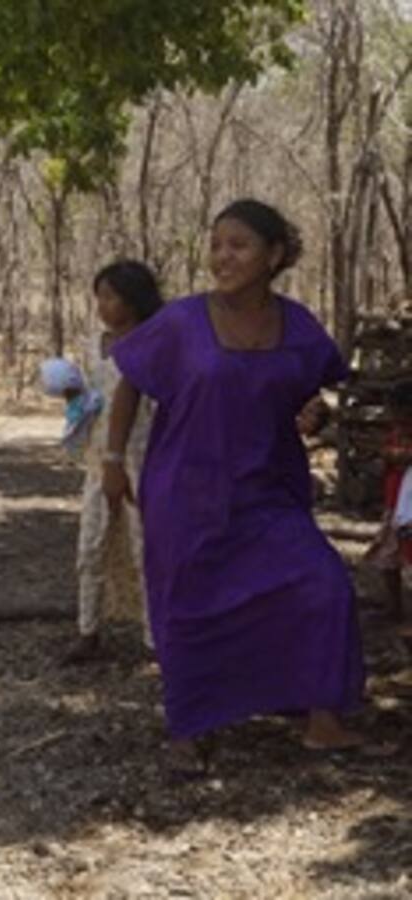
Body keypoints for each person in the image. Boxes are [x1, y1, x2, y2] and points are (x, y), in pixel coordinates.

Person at [102, 199, 382, 776]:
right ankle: (191, 728)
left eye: (239, 245)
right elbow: (130, 381)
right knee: (189, 606)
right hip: (186, 488)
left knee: (322, 584)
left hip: (267, 487)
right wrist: (113, 457)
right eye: (217, 244)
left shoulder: (297, 325)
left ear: (273, 256)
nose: (222, 257)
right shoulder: (182, 322)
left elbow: (322, 390)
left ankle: (322, 721)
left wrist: (318, 413)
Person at [56, 261, 163, 664]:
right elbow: (89, 402)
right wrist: (71, 397)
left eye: (111, 296)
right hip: (99, 459)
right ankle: (88, 629)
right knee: (91, 542)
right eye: (98, 296)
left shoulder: (154, 346)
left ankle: (155, 638)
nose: (102, 305)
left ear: (134, 300)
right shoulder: (94, 344)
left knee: (144, 546)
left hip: (143, 458)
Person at [365, 379, 412, 624]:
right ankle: (394, 608)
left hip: (408, 506)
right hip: (395, 504)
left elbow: (401, 458)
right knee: (388, 557)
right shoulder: (396, 432)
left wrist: (394, 456)